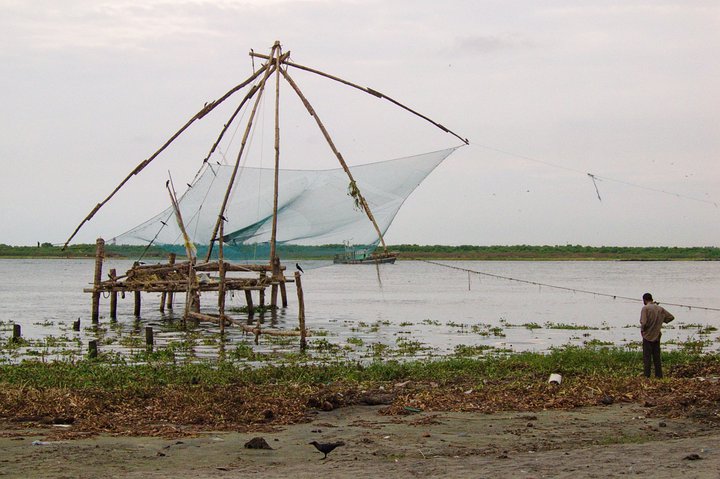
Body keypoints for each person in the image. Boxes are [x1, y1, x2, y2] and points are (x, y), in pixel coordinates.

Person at [640, 292, 674, 378]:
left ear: (644, 300)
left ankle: (646, 376)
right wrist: (662, 320)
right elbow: (671, 317)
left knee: (647, 358)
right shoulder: (660, 308)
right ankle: (659, 376)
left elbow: (643, 322)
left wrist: (642, 330)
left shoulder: (645, 308)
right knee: (657, 358)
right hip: (657, 336)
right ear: (651, 299)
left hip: (647, 336)